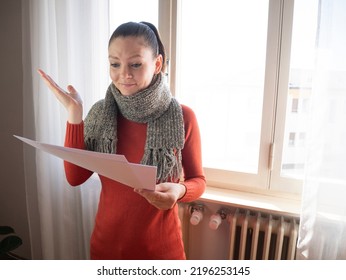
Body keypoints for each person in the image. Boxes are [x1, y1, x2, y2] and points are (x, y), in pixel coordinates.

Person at [38, 21, 206, 260]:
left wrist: (179, 190)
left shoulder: (183, 117)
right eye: (115, 64)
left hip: (161, 252)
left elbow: (198, 180)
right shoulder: (100, 114)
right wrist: (75, 114)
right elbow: (75, 178)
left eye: (136, 64)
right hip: (106, 249)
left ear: (157, 64)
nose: (124, 74)